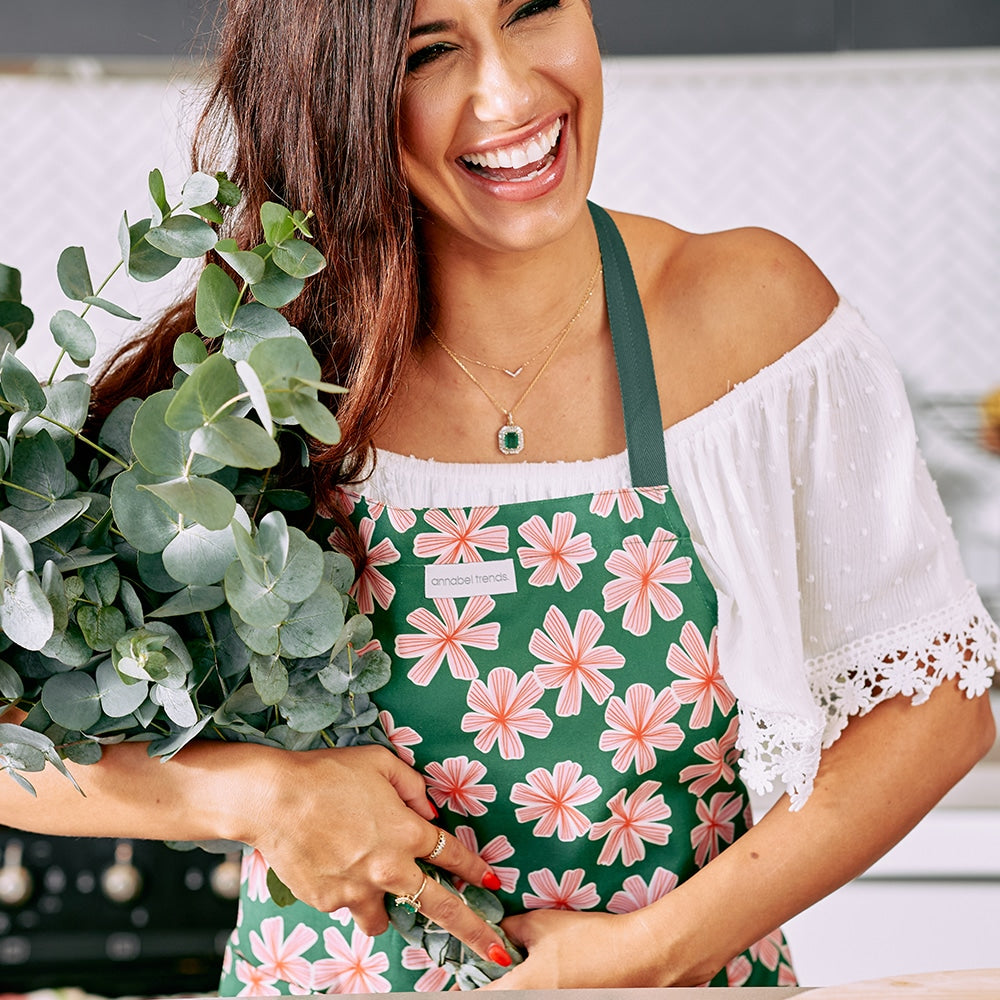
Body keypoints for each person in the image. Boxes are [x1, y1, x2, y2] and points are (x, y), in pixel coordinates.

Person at [3, 0, 997, 992]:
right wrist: (259, 794)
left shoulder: (749, 316)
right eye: (431, 52)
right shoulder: (246, 391)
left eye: (534, 12)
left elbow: (939, 703)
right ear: (343, 95)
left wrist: (657, 949)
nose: (513, 90)